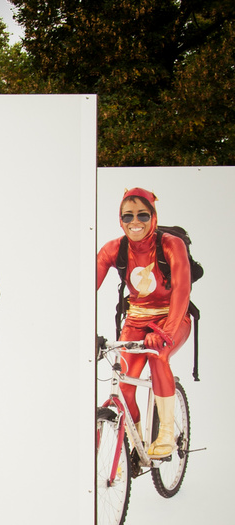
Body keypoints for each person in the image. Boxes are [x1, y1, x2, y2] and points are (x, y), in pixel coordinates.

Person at [96, 187, 190, 458]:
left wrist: (166, 332)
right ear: (120, 219)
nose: (134, 222)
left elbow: (182, 291)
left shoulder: (171, 244)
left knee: (159, 357)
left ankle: (166, 436)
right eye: (127, 217)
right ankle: (135, 442)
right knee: (124, 385)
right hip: (136, 319)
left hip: (173, 316)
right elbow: (87, 288)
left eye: (142, 215)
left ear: (154, 217)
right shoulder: (114, 249)